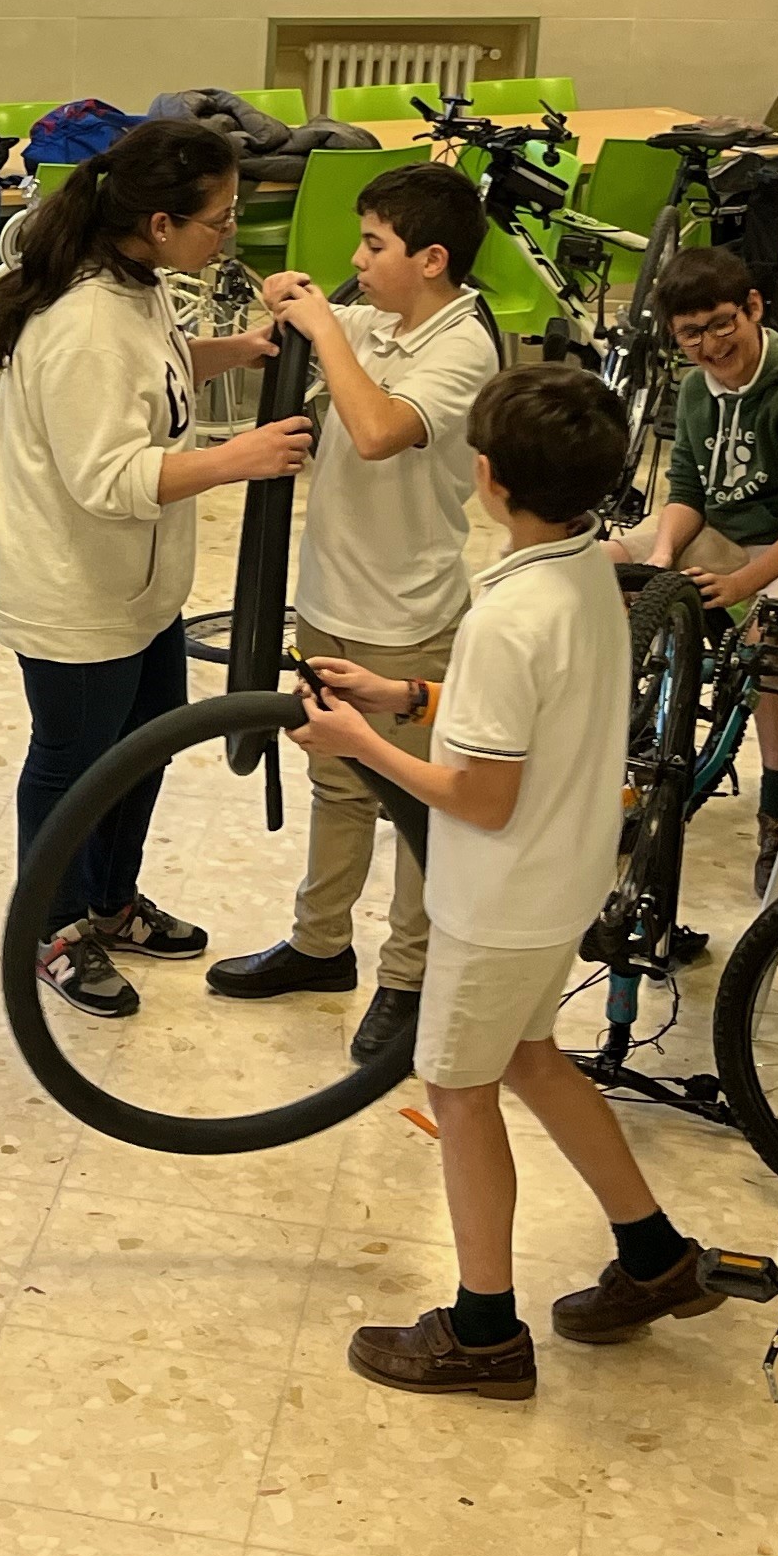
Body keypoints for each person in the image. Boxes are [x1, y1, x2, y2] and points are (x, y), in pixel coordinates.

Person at [297, 365, 725, 1398]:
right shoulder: (591, 572)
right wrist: (408, 694)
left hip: (496, 900)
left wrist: (361, 742)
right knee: (532, 1058)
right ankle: (656, 1255)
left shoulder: (503, 616)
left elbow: (481, 796)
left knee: (459, 1088)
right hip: (561, 878)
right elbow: (533, 709)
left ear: (486, 477)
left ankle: (483, 1330)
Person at [0, 117, 313, 1018]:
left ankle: (109, 901)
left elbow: (152, 374)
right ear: (160, 223)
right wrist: (237, 459)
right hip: (74, 594)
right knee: (73, 763)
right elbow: (108, 479)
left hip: (135, 586)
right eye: (219, 218)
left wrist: (237, 350)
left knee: (142, 749)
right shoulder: (86, 324)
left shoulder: (138, 283)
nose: (229, 234)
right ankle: (51, 928)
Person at [208, 162, 507, 1067]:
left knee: (413, 799)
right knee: (336, 783)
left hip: (407, 615)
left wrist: (326, 329)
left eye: (375, 246)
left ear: (432, 259)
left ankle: (409, 979)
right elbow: (313, 350)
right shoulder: (375, 323)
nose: (356, 260)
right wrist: (288, 309)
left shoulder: (465, 346)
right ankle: (319, 944)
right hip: (330, 596)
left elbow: (378, 434)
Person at [625, 244, 778, 884]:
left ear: (754, 308)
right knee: (603, 566)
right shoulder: (695, 389)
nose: (710, 345)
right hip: (729, 532)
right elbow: (687, 491)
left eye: (721, 324)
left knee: (771, 630)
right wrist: (658, 560)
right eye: (691, 334)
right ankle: (627, 745)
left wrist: (741, 583)